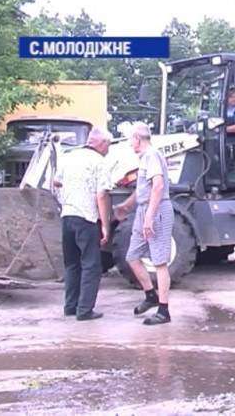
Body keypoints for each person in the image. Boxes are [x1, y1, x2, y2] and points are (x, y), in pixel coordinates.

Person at [113, 122, 174, 325]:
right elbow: (143, 190)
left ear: (137, 139)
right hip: (143, 209)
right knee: (132, 256)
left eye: (131, 139)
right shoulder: (144, 158)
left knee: (159, 262)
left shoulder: (152, 155)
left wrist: (149, 217)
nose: (130, 144)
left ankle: (164, 311)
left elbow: (157, 187)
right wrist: (125, 206)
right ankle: (150, 295)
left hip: (157, 211)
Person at [53, 126, 112, 321]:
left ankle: (70, 306)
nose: (108, 149)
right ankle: (85, 311)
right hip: (86, 217)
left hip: (67, 215)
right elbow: (101, 194)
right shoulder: (99, 161)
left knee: (72, 264)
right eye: (108, 145)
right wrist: (105, 225)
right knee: (91, 265)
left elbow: (56, 182)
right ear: (101, 143)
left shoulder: (69, 156)